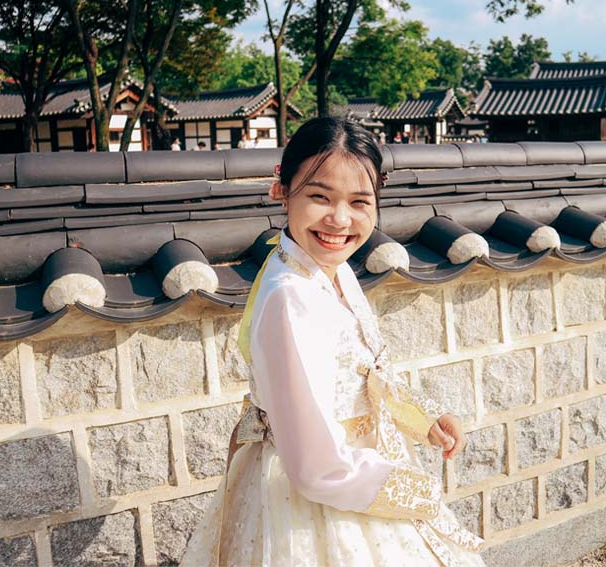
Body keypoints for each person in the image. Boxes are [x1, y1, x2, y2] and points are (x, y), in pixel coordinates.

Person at [181, 117, 484, 567]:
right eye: (320, 197)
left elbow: (365, 374)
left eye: (359, 202)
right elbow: (314, 467)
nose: (340, 220)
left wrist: (423, 418)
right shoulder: (290, 297)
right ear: (282, 190)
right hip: (322, 493)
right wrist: (415, 492)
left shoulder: (330, 268)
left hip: (355, 470)